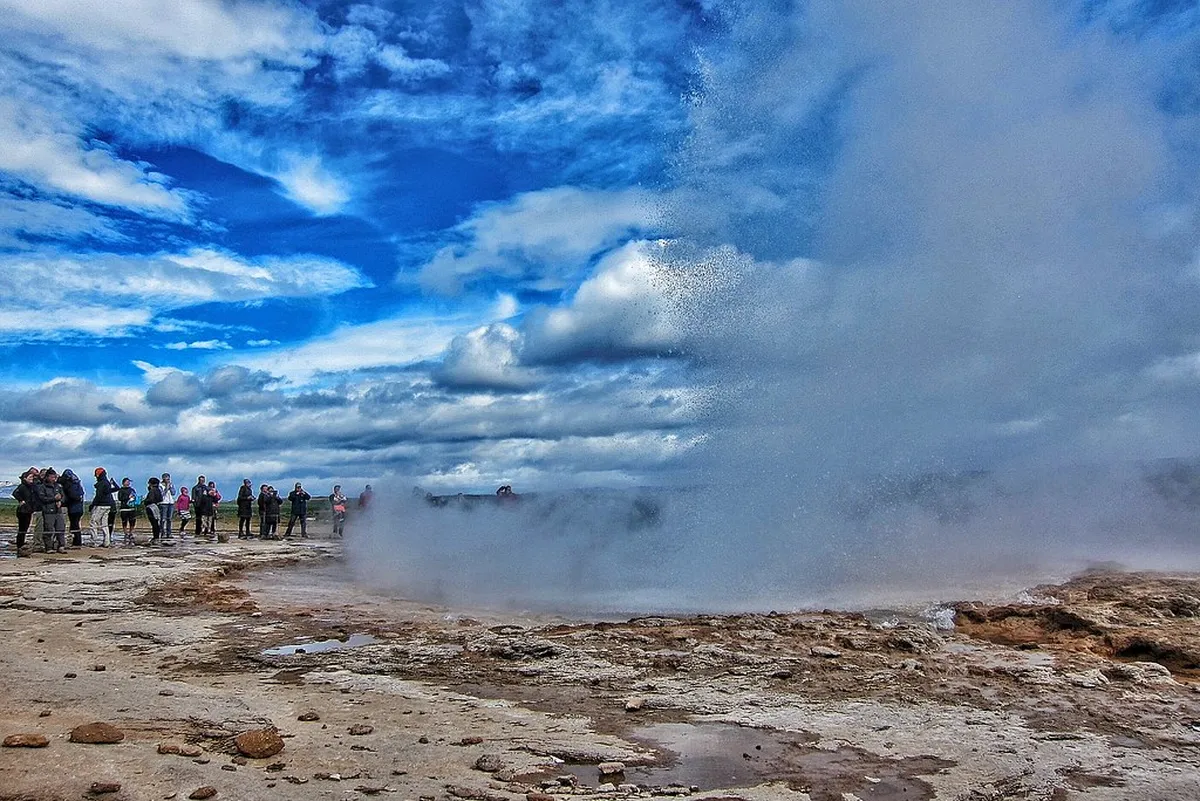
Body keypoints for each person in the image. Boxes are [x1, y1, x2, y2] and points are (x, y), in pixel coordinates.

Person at [35, 468, 66, 554]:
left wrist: (60, 501)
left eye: (55, 477)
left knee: (60, 529)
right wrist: (53, 499)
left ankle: (61, 546)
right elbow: (42, 498)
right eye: (52, 477)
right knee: (48, 529)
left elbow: (63, 496)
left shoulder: (58, 486)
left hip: (58, 511)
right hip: (48, 511)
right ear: (47, 477)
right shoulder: (42, 487)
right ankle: (49, 547)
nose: (54, 479)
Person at [89, 468, 118, 547]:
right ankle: (106, 542)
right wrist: (114, 483)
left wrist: (92, 505)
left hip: (101, 505)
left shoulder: (101, 484)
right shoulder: (107, 483)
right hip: (108, 506)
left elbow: (98, 496)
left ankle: (93, 541)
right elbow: (116, 489)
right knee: (104, 524)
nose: (96, 477)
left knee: (93, 522)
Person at [12, 469, 38, 556]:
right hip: (23, 511)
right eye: (30, 477)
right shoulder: (22, 486)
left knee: (25, 528)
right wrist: (21, 500)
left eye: (32, 477)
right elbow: (15, 493)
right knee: (22, 528)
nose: (31, 479)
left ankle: (21, 543)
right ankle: (20, 545)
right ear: (25, 478)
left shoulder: (32, 487)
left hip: (29, 510)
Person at [60, 469, 86, 547]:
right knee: (75, 524)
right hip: (79, 507)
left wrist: (66, 501)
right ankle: (76, 542)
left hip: (74, 508)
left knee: (74, 525)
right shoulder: (77, 483)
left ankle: (76, 542)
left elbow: (73, 496)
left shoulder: (70, 485)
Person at [117, 478, 138, 544]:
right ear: (123, 483)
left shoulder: (132, 490)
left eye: (129, 482)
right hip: (124, 508)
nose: (128, 483)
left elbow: (135, 497)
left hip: (132, 508)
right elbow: (120, 498)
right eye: (127, 482)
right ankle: (125, 533)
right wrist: (127, 497)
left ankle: (131, 532)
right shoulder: (121, 490)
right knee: (124, 521)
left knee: (132, 521)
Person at [144, 476, 164, 543]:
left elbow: (151, 499)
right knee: (156, 522)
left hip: (151, 507)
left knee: (154, 523)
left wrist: (145, 501)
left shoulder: (152, 490)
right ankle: (157, 536)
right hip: (156, 506)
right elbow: (161, 499)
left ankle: (155, 537)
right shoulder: (158, 490)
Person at [159, 473, 176, 540]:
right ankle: (162, 532)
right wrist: (166, 488)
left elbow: (173, 493)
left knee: (169, 519)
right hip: (163, 503)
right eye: (167, 479)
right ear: (163, 478)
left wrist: (170, 487)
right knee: (163, 519)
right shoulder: (160, 486)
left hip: (170, 502)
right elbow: (162, 494)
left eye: (169, 479)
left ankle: (169, 533)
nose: (168, 480)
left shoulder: (171, 484)